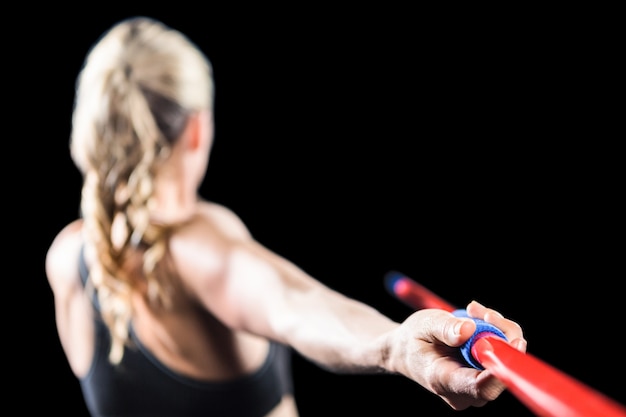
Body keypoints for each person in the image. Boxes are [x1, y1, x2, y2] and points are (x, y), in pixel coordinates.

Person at [45, 16, 527, 417]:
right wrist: (394, 345)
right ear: (196, 129)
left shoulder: (66, 259)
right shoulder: (199, 245)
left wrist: (399, 342)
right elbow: (294, 304)